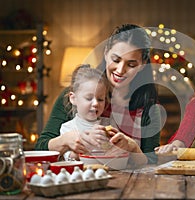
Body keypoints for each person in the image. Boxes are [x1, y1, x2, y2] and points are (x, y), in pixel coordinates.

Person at [35, 24, 161, 165]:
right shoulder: (76, 94)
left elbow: (152, 162)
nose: (120, 70)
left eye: (131, 65)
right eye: (116, 60)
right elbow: (41, 148)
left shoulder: (149, 109)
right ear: (106, 53)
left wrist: (133, 147)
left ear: (143, 65)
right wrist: (65, 140)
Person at [60, 64, 117, 161]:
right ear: (73, 98)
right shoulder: (68, 128)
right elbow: (70, 159)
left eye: (100, 99)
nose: (95, 103)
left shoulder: (109, 124)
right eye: (89, 98)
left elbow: (116, 153)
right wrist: (88, 142)